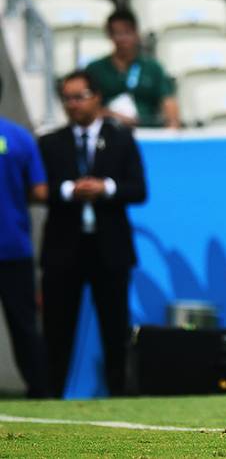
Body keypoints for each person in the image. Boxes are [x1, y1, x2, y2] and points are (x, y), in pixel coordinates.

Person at [39, 71, 147, 398]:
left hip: (110, 248)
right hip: (63, 248)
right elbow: (37, 190)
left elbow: (139, 189)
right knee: (57, 330)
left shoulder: (121, 139)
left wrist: (106, 188)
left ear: (97, 96)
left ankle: (120, 395)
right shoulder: (49, 143)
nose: (73, 105)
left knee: (115, 330)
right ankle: (49, 397)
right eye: (67, 99)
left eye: (79, 96)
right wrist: (70, 190)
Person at [0, 77, 50, 398]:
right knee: (24, 326)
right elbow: (41, 191)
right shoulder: (18, 137)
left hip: (13, 248)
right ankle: (40, 390)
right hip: (13, 247)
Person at [85, 9, 180, 128]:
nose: (123, 38)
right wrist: (109, 115)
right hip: (108, 132)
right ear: (109, 35)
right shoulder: (95, 69)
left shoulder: (153, 67)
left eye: (127, 32)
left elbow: (168, 100)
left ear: (136, 34)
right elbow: (85, 107)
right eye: (117, 33)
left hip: (146, 131)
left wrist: (172, 127)